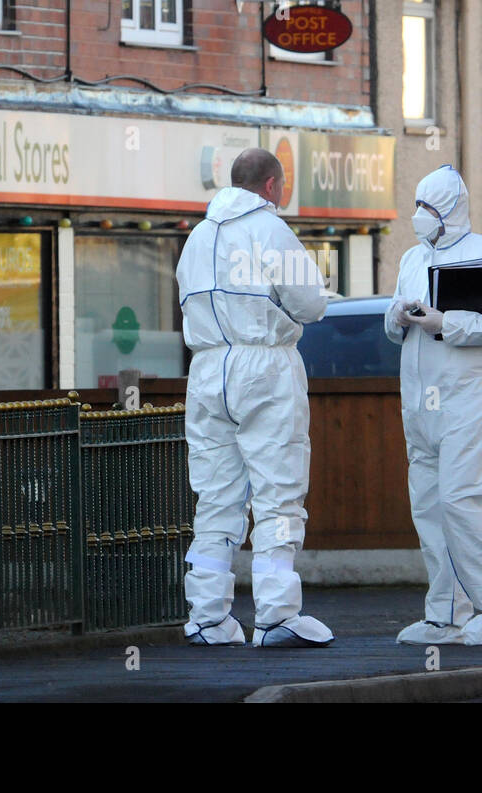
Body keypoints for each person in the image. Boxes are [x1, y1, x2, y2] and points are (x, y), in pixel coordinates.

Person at [175, 148, 333, 647]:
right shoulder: (270, 230)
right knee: (277, 490)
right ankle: (277, 614)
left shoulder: (197, 237)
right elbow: (312, 305)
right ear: (270, 186)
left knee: (216, 493)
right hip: (263, 364)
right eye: (281, 188)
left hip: (205, 369)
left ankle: (207, 616)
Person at [383, 164, 482, 646]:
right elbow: (394, 327)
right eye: (417, 206)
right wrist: (399, 317)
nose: (419, 215)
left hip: (471, 397)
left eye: (428, 207)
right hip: (420, 401)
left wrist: (447, 322)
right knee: (428, 504)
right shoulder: (411, 258)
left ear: (450, 209)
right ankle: (446, 612)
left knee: (463, 500)